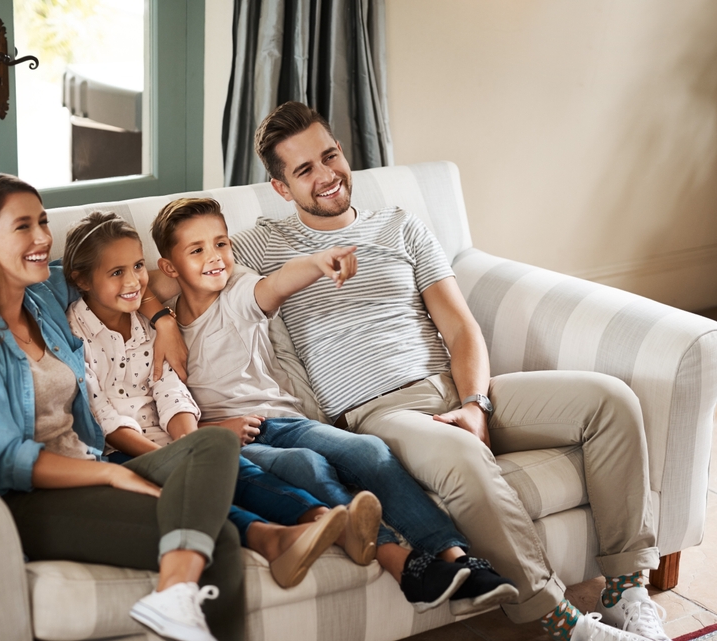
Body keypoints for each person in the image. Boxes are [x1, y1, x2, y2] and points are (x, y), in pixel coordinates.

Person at [228, 100, 668, 641]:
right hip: (380, 412)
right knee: (462, 458)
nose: (326, 176)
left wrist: (475, 404)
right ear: (280, 187)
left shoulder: (400, 226)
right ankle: (565, 622)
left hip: (455, 388)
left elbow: (460, 328)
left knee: (610, 401)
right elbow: (175, 270)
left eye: (330, 155)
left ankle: (628, 592)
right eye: (304, 170)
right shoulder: (260, 245)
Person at [149, 197, 518, 615]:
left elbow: (279, 282)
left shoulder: (239, 291)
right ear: (170, 267)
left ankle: (457, 559)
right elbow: (130, 284)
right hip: (235, 441)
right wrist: (161, 320)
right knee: (306, 467)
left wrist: (318, 262)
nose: (215, 258)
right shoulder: (160, 328)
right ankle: (407, 566)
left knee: (369, 451)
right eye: (197, 250)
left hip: (283, 419)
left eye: (221, 244)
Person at [0, 172, 244, 641]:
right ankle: (177, 596)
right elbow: (7, 461)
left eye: (43, 221)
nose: (41, 239)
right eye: (22, 227)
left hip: (88, 459)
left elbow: (126, 275)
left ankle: (174, 597)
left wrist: (162, 320)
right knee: (219, 539)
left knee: (213, 443)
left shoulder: (41, 294)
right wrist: (112, 474)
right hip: (29, 500)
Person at [61, 210, 359, 590]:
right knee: (190, 490)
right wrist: (167, 455)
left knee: (238, 470)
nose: (135, 280)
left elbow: (168, 387)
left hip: (172, 438)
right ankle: (270, 538)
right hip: (122, 450)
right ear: (81, 279)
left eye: (137, 266)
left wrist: (189, 443)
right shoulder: (73, 331)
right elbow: (99, 411)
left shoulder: (148, 321)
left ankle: (322, 519)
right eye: (116, 272)